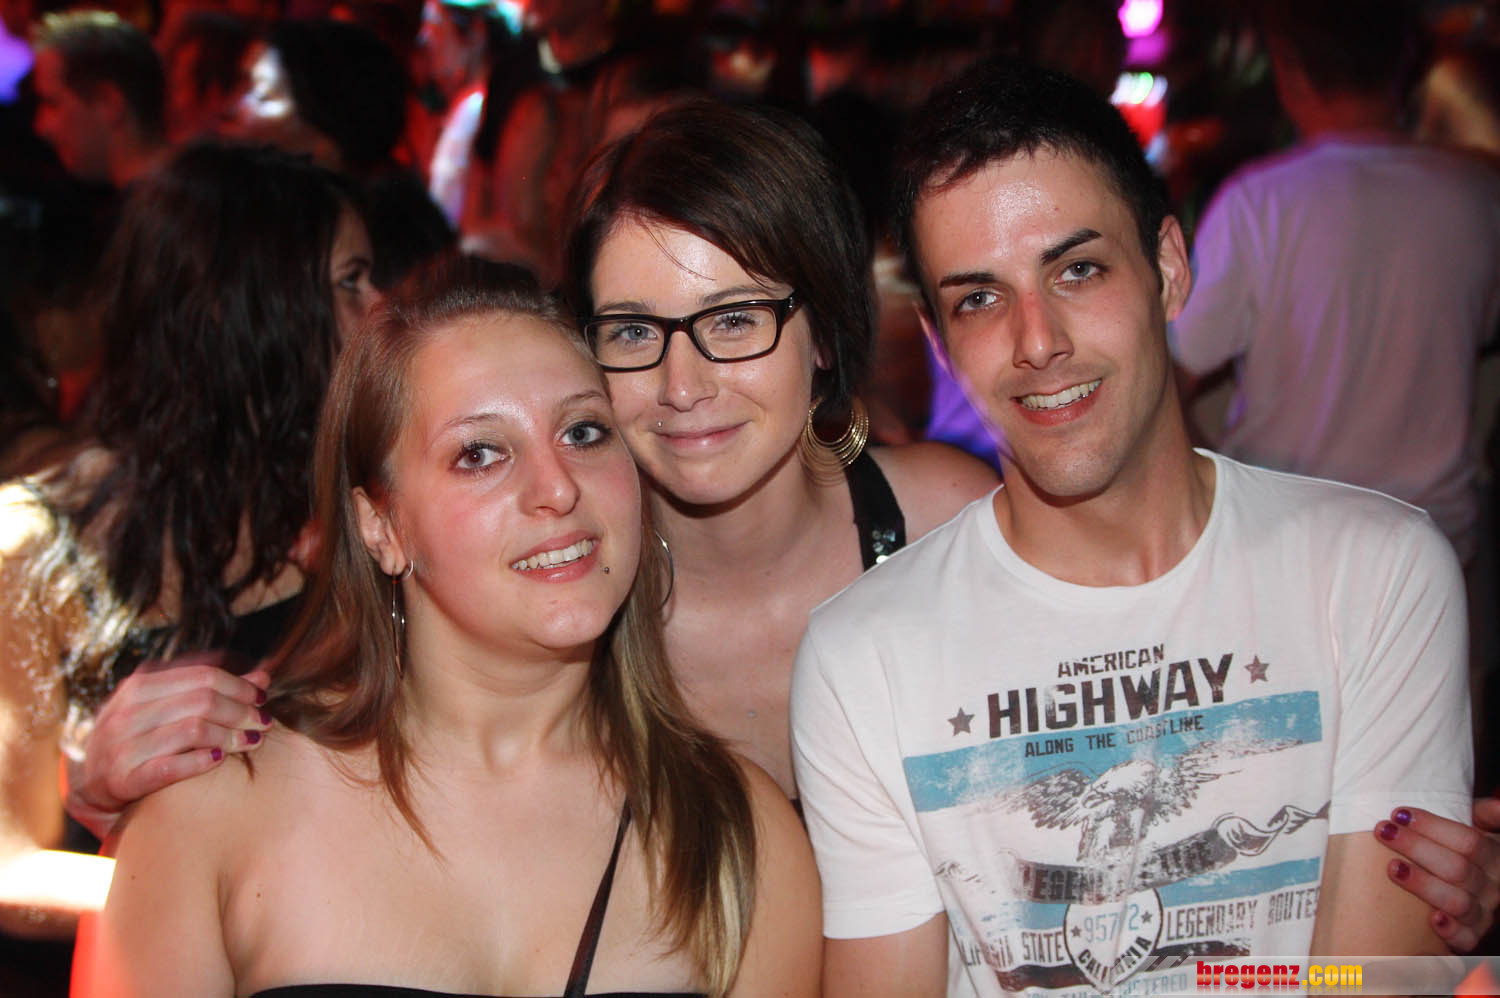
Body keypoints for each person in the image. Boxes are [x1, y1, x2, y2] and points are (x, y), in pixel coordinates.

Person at [790, 56, 1475, 996]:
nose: (1038, 341)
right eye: (980, 299)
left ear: (1169, 269)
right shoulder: (863, 656)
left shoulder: (1374, 574)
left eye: (1078, 270)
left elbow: (1374, 979)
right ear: (942, 345)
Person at [76, 256, 819, 996]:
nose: (556, 488)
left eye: (584, 432)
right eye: (479, 454)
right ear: (381, 526)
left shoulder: (740, 838)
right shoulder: (208, 810)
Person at [560, 98, 999, 798]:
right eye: (634, 332)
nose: (682, 387)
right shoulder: (569, 605)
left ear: (823, 332)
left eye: (734, 320)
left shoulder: (947, 526)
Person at [0, 140, 374, 944]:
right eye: (351, 281)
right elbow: (10, 868)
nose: (382, 309)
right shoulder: (37, 544)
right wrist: (225, 903)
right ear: (249, 316)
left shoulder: (380, 518)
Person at [1169, 0, 1500, 568]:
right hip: (1434, 546)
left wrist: (1223, 486)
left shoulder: (1259, 202)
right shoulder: (1480, 195)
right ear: (1402, 64)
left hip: (1287, 544)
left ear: (1289, 70)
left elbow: (1168, 378)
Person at [30, 10, 165, 190]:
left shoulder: (165, 205)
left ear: (109, 103)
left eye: (52, 104)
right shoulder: (171, 195)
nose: (41, 127)